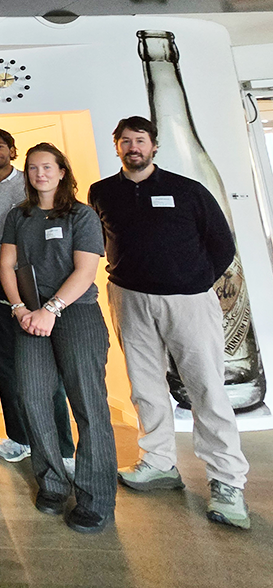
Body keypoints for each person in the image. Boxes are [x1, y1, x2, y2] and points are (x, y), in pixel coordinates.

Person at [89, 116, 250, 530]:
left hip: (188, 301)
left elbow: (221, 244)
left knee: (207, 388)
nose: (132, 148)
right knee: (144, 386)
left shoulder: (188, 190)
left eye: (139, 141)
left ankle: (228, 481)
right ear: (117, 147)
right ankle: (159, 462)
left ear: (154, 146)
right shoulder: (103, 192)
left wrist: (193, 282)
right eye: (124, 141)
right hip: (128, 297)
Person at [0, 143, 116, 533]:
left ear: (62, 170)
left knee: (87, 403)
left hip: (75, 314)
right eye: (33, 168)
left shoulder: (82, 215)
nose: (40, 174)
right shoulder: (18, 216)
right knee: (32, 397)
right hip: (29, 316)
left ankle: (95, 497)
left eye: (47, 167)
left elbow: (85, 271)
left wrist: (51, 310)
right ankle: (52, 481)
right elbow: (6, 264)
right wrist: (21, 310)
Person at [0, 128, 74, 466]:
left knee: (45, 364)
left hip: (38, 285)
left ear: (13, 151)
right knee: (5, 362)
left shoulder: (29, 185)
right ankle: (19, 436)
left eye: (0, 145)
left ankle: (62, 446)